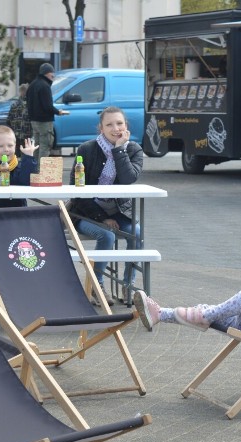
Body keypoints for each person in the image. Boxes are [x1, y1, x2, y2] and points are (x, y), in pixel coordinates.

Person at [69, 107, 142, 306]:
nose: (115, 128)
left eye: (119, 123)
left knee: (137, 233)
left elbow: (128, 179)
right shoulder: (87, 149)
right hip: (85, 212)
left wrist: (119, 149)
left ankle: (128, 286)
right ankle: (96, 284)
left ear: (126, 126)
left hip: (119, 213)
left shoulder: (133, 149)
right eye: (109, 124)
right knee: (107, 234)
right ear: (100, 128)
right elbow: (76, 190)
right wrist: (101, 218)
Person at [0, 125, 38, 209]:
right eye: (0, 146)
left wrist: (28, 157)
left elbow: (27, 181)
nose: (6, 149)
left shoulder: (19, 166)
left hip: (18, 210)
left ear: (15, 146)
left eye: (10, 145)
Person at [27, 63, 67, 163]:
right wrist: (58, 112)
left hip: (34, 120)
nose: (53, 77)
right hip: (44, 121)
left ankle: (34, 167)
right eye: (52, 74)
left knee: (36, 145)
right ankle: (41, 169)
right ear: (48, 74)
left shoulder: (32, 85)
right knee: (45, 145)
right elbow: (47, 106)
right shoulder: (45, 86)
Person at [7, 83, 32, 157]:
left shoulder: (14, 104)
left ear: (20, 92)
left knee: (16, 153)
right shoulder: (29, 104)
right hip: (26, 133)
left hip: (15, 133)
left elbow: (8, 119)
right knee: (26, 152)